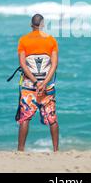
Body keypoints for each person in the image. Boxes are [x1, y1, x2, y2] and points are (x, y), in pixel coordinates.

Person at [16, 14, 59, 152]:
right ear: (43, 24)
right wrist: (44, 83)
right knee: (52, 117)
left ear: (31, 25)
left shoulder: (23, 40)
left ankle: (21, 150)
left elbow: (23, 64)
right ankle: (56, 150)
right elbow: (54, 65)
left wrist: (35, 81)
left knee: (25, 118)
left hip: (29, 85)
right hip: (47, 86)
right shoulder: (51, 40)